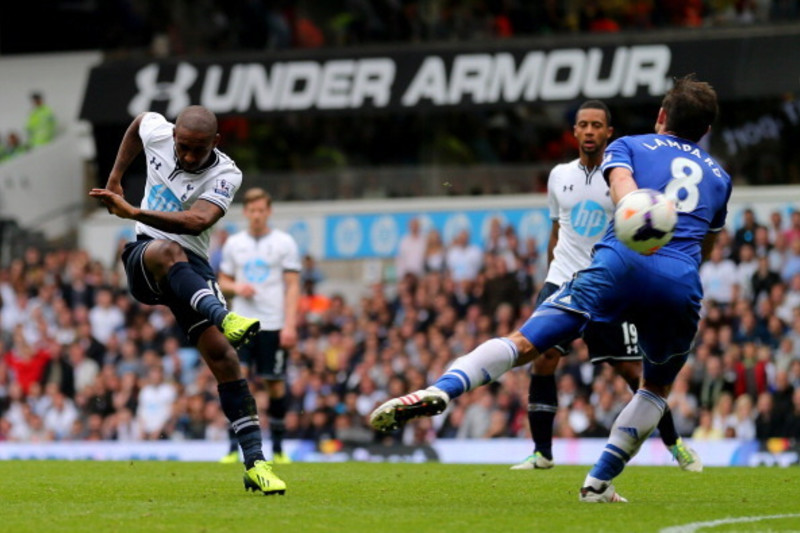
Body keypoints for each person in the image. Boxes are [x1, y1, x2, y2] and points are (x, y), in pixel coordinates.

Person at [370, 75, 730, 502]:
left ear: (661, 116)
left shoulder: (630, 145)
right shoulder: (720, 177)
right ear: (706, 130)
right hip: (679, 280)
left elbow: (622, 190)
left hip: (616, 265)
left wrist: (638, 210)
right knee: (653, 388)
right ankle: (598, 482)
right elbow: (707, 241)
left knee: (525, 342)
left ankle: (439, 390)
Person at [88, 106, 286, 495]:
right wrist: (115, 177)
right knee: (165, 251)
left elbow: (197, 222)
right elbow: (137, 123)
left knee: (226, 360)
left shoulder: (227, 174)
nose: (190, 156)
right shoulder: (159, 131)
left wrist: (133, 209)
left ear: (215, 142)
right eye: (184, 147)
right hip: (145, 256)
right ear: (174, 134)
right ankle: (224, 315)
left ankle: (256, 463)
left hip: (191, 269)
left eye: (199, 149)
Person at [508, 100, 699, 472]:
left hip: (607, 282)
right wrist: (550, 280)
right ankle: (542, 453)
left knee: (633, 375)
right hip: (563, 279)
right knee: (543, 359)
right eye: (584, 125)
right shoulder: (558, 176)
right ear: (575, 132)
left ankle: (675, 444)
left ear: (609, 132)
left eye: (598, 125)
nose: (591, 131)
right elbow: (556, 230)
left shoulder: (623, 178)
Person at [217, 187, 301, 465]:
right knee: (235, 382)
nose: (256, 215)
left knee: (275, 385)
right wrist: (237, 286)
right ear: (246, 212)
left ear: (269, 211)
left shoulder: (284, 243)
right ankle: (233, 448)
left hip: (274, 324)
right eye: (252, 211)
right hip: (242, 325)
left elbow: (292, 286)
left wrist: (290, 325)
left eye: (261, 210)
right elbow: (223, 281)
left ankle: (277, 448)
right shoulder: (234, 244)